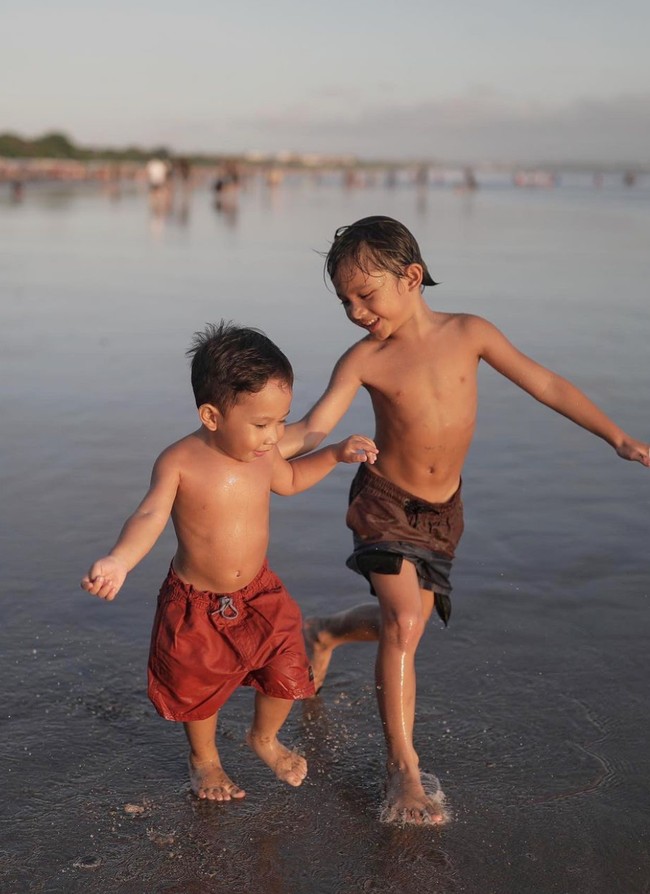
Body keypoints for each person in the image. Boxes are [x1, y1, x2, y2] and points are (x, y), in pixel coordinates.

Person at [279, 215, 650, 826]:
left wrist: (617, 436)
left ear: (411, 277)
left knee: (407, 624)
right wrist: (254, 441)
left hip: (443, 513)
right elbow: (315, 427)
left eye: (365, 295)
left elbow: (545, 384)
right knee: (404, 622)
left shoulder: (469, 332)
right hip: (383, 503)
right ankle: (403, 769)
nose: (355, 312)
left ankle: (326, 632)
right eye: (345, 301)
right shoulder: (364, 360)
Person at [81, 321, 377, 803]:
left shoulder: (262, 454)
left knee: (287, 667)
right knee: (196, 687)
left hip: (260, 592)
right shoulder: (179, 461)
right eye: (262, 424)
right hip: (195, 603)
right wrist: (119, 560)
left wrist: (333, 455)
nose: (273, 436)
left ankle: (264, 738)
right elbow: (150, 516)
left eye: (281, 421)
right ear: (212, 416)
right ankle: (205, 760)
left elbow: (291, 480)